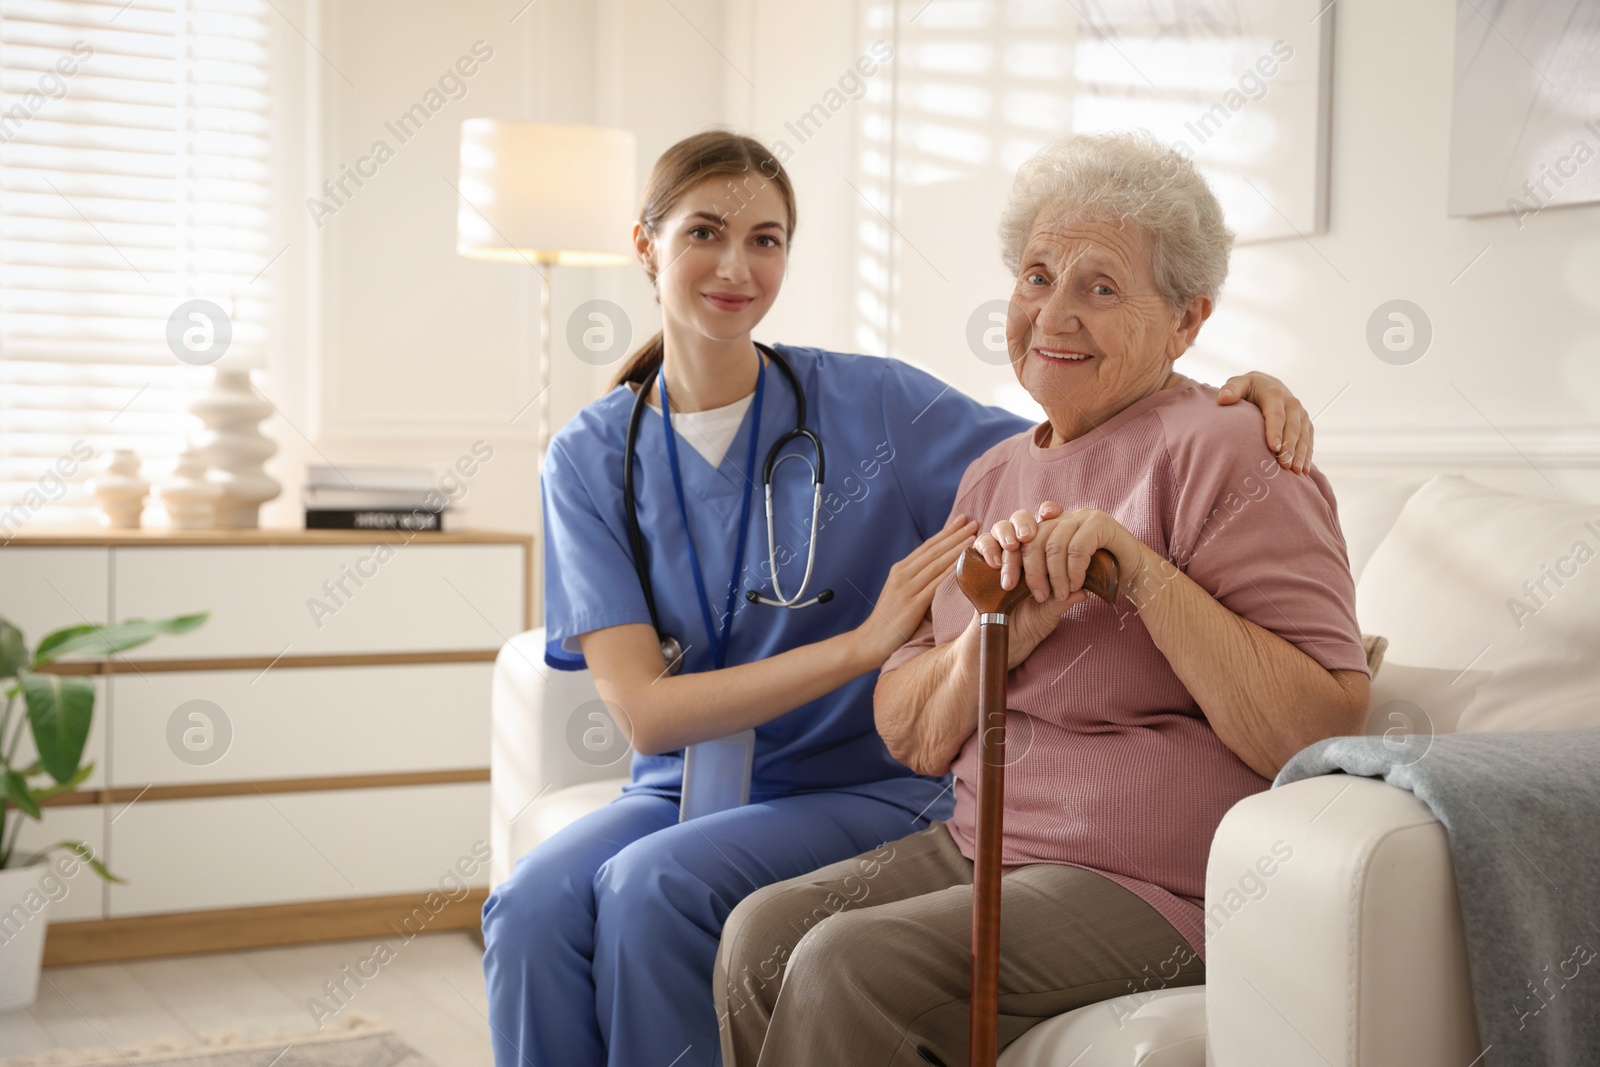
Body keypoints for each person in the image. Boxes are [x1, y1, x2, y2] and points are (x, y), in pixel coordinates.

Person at [480, 128, 1319, 1067]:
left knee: (650, 892)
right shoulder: (591, 454)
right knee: (528, 907)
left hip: (856, 780)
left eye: (766, 238)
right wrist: (867, 641)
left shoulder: (871, 405)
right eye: (704, 232)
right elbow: (643, 712)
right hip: (689, 779)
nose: (735, 264)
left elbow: (1091, 428)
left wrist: (1239, 395)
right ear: (646, 246)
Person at [712, 130, 1372, 1067]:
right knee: (759, 935)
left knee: (843, 965)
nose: (1053, 314)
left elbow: (1319, 731)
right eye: (1035, 277)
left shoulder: (1232, 450)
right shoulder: (992, 476)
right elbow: (911, 730)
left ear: (1189, 320)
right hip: (987, 844)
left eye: (1100, 287)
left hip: (1162, 882)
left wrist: (1140, 572)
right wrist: (999, 636)